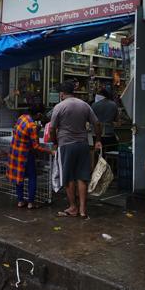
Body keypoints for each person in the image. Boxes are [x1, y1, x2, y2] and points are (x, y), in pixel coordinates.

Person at [50, 80, 101, 219]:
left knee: (68, 177)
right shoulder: (84, 105)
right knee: (82, 177)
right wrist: (98, 140)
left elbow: (52, 128)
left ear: (61, 94)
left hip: (66, 145)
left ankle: (73, 207)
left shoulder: (59, 107)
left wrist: (55, 142)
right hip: (83, 145)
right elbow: (96, 123)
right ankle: (83, 210)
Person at [8, 103, 53, 209]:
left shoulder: (22, 117)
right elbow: (36, 146)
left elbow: (18, 132)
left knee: (19, 177)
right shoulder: (32, 126)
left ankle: (20, 200)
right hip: (26, 154)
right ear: (38, 114)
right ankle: (31, 202)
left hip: (15, 151)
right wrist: (50, 152)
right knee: (32, 176)